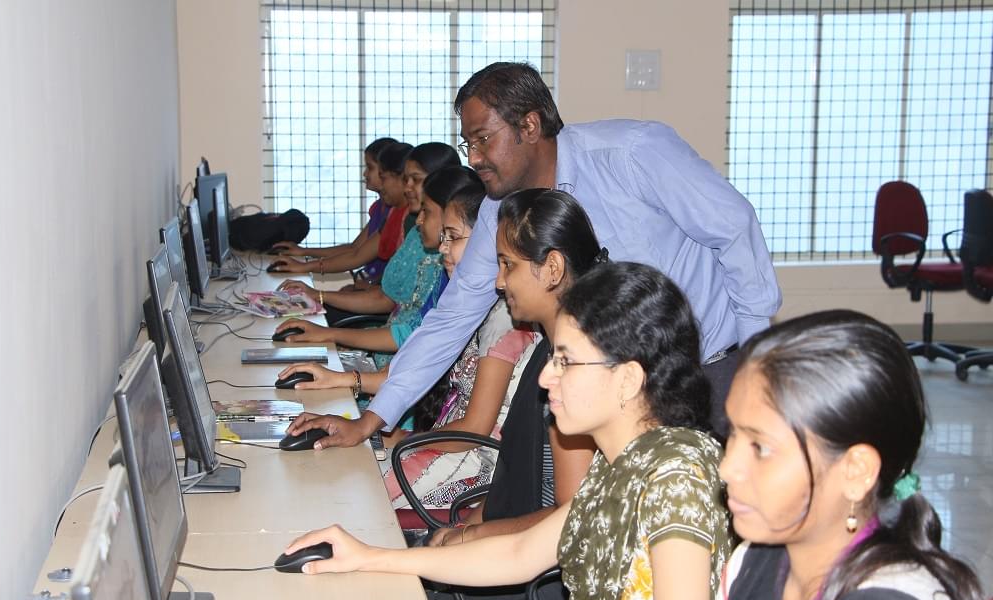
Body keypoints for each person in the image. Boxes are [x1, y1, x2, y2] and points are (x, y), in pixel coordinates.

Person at [283, 261, 731, 600]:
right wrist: (371, 558)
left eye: (565, 361)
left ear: (626, 380)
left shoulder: (677, 478)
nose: (545, 379)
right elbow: (519, 554)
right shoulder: (623, 462)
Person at [302, 61, 782, 450]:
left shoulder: (632, 153)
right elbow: (452, 316)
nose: (473, 157)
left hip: (709, 367)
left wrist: (754, 359)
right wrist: (372, 420)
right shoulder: (498, 208)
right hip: (611, 391)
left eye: (482, 138)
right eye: (467, 143)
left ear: (529, 125)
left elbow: (734, 228)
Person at [663, 310, 993, 600]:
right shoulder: (754, 563)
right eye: (732, 435)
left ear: (855, 471)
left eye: (760, 447)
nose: (727, 468)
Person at [277, 180, 539, 512]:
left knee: (346, 496)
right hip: (445, 444)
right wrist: (376, 430)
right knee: (330, 473)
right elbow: (423, 372)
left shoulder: (505, 320)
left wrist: (396, 439)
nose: (442, 248)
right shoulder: (472, 307)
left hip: (471, 469)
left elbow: (474, 428)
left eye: (453, 237)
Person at [273, 165, 480, 373]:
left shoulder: (452, 274)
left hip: (397, 365)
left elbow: (409, 334)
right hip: (392, 360)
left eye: (414, 179)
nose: (418, 219)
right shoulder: (433, 256)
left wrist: (330, 331)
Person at [277, 143, 460, 321]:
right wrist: (306, 263)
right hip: (388, 315)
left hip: (391, 321)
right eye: (406, 180)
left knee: (309, 318)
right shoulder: (405, 223)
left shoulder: (422, 228)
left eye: (415, 179)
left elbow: (397, 307)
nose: (407, 187)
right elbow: (357, 251)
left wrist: (316, 286)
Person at [271, 136, 397, 261]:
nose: (365, 173)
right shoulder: (378, 208)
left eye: (370, 167)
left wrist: (305, 263)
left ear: (386, 170)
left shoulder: (395, 213)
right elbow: (354, 248)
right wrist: (304, 251)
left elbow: (356, 254)